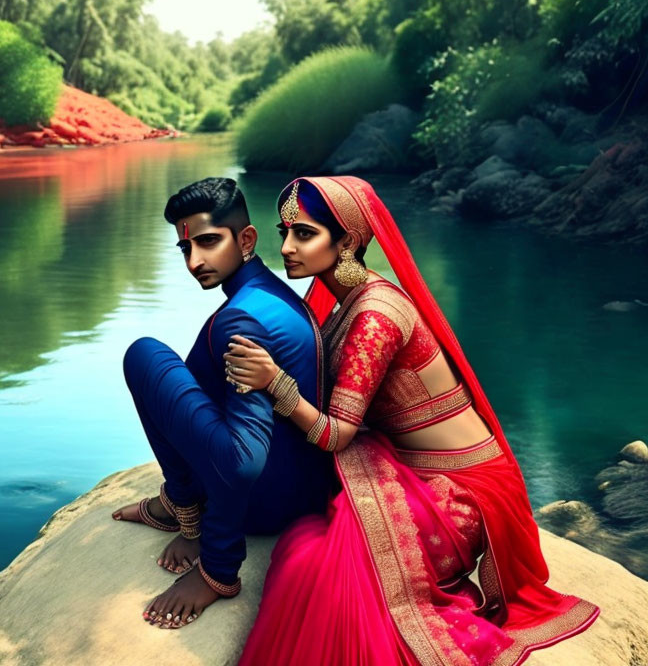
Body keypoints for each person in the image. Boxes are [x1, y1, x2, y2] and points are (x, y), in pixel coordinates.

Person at [226, 176, 598, 665]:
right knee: (306, 541)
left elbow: (338, 434)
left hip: (464, 490)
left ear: (347, 243)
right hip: (414, 469)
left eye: (305, 234)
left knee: (316, 563)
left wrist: (275, 382)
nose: (288, 247)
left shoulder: (374, 317)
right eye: (284, 232)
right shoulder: (346, 305)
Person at [111, 177, 332, 628]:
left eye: (208, 242)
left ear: (246, 239)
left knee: (144, 355)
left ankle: (188, 513)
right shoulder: (275, 295)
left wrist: (217, 567)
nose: (195, 261)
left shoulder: (242, 318)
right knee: (187, 374)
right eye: (185, 249)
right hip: (302, 488)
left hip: (264, 503)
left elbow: (241, 462)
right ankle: (179, 501)